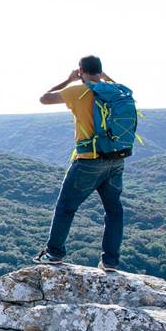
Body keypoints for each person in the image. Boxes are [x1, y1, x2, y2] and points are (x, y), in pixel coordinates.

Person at [35, 55, 129, 272]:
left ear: (81, 71)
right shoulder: (116, 91)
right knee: (114, 210)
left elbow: (44, 98)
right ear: (100, 71)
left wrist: (68, 81)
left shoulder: (79, 91)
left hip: (89, 160)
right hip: (116, 160)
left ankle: (54, 253)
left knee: (66, 206)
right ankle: (110, 261)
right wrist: (106, 79)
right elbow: (123, 95)